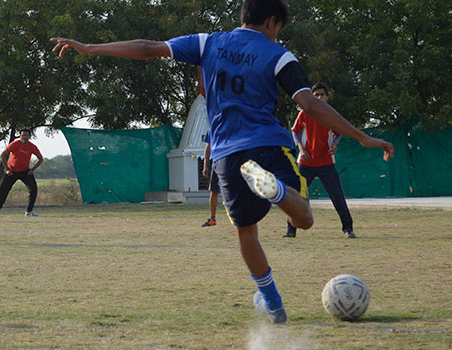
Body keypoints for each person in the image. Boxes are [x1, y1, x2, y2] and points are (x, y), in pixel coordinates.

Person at [49, 0, 394, 324]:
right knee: (303, 217)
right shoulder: (279, 55)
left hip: (228, 155)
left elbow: (146, 48)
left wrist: (89, 47)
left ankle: (272, 303)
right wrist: (361, 136)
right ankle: (277, 194)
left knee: (246, 232)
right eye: (278, 28)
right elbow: (310, 105)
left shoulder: (207, 42)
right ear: (272, 21)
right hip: (268, 146)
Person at [285, 83, 356, 238]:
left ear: (327, 97)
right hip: (306, 162)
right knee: (296, 196)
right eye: (315, 95)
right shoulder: (304, 113)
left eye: (322, 94)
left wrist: (335, 144)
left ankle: (348, 228)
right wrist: (301, 149)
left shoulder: (331, 115)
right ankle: (291, 230)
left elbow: (339, 133)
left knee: (337, 195)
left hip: (326, 163)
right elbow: (295, 131)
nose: (319, 97)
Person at [0, 128, 44, 218]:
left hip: (25, 172)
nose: (24, 137)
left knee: (33, 190)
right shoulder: (14, 144)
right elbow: (3, 155)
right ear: (20, 136)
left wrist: (32, 170)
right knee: (2, 191)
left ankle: (29, 212)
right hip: (12, 172)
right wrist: (7, 169)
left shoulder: (32, 146)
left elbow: (40, 158)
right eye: (23, 135)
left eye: (26, 136)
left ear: (29, 137)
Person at [201, 137, 221, 227]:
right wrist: (205, 165)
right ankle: (212, 219)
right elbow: (208, 148)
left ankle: (241, 216)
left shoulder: (232, 125)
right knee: (214, 192)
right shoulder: (212, 129)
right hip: (217, 164)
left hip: (230, 162)